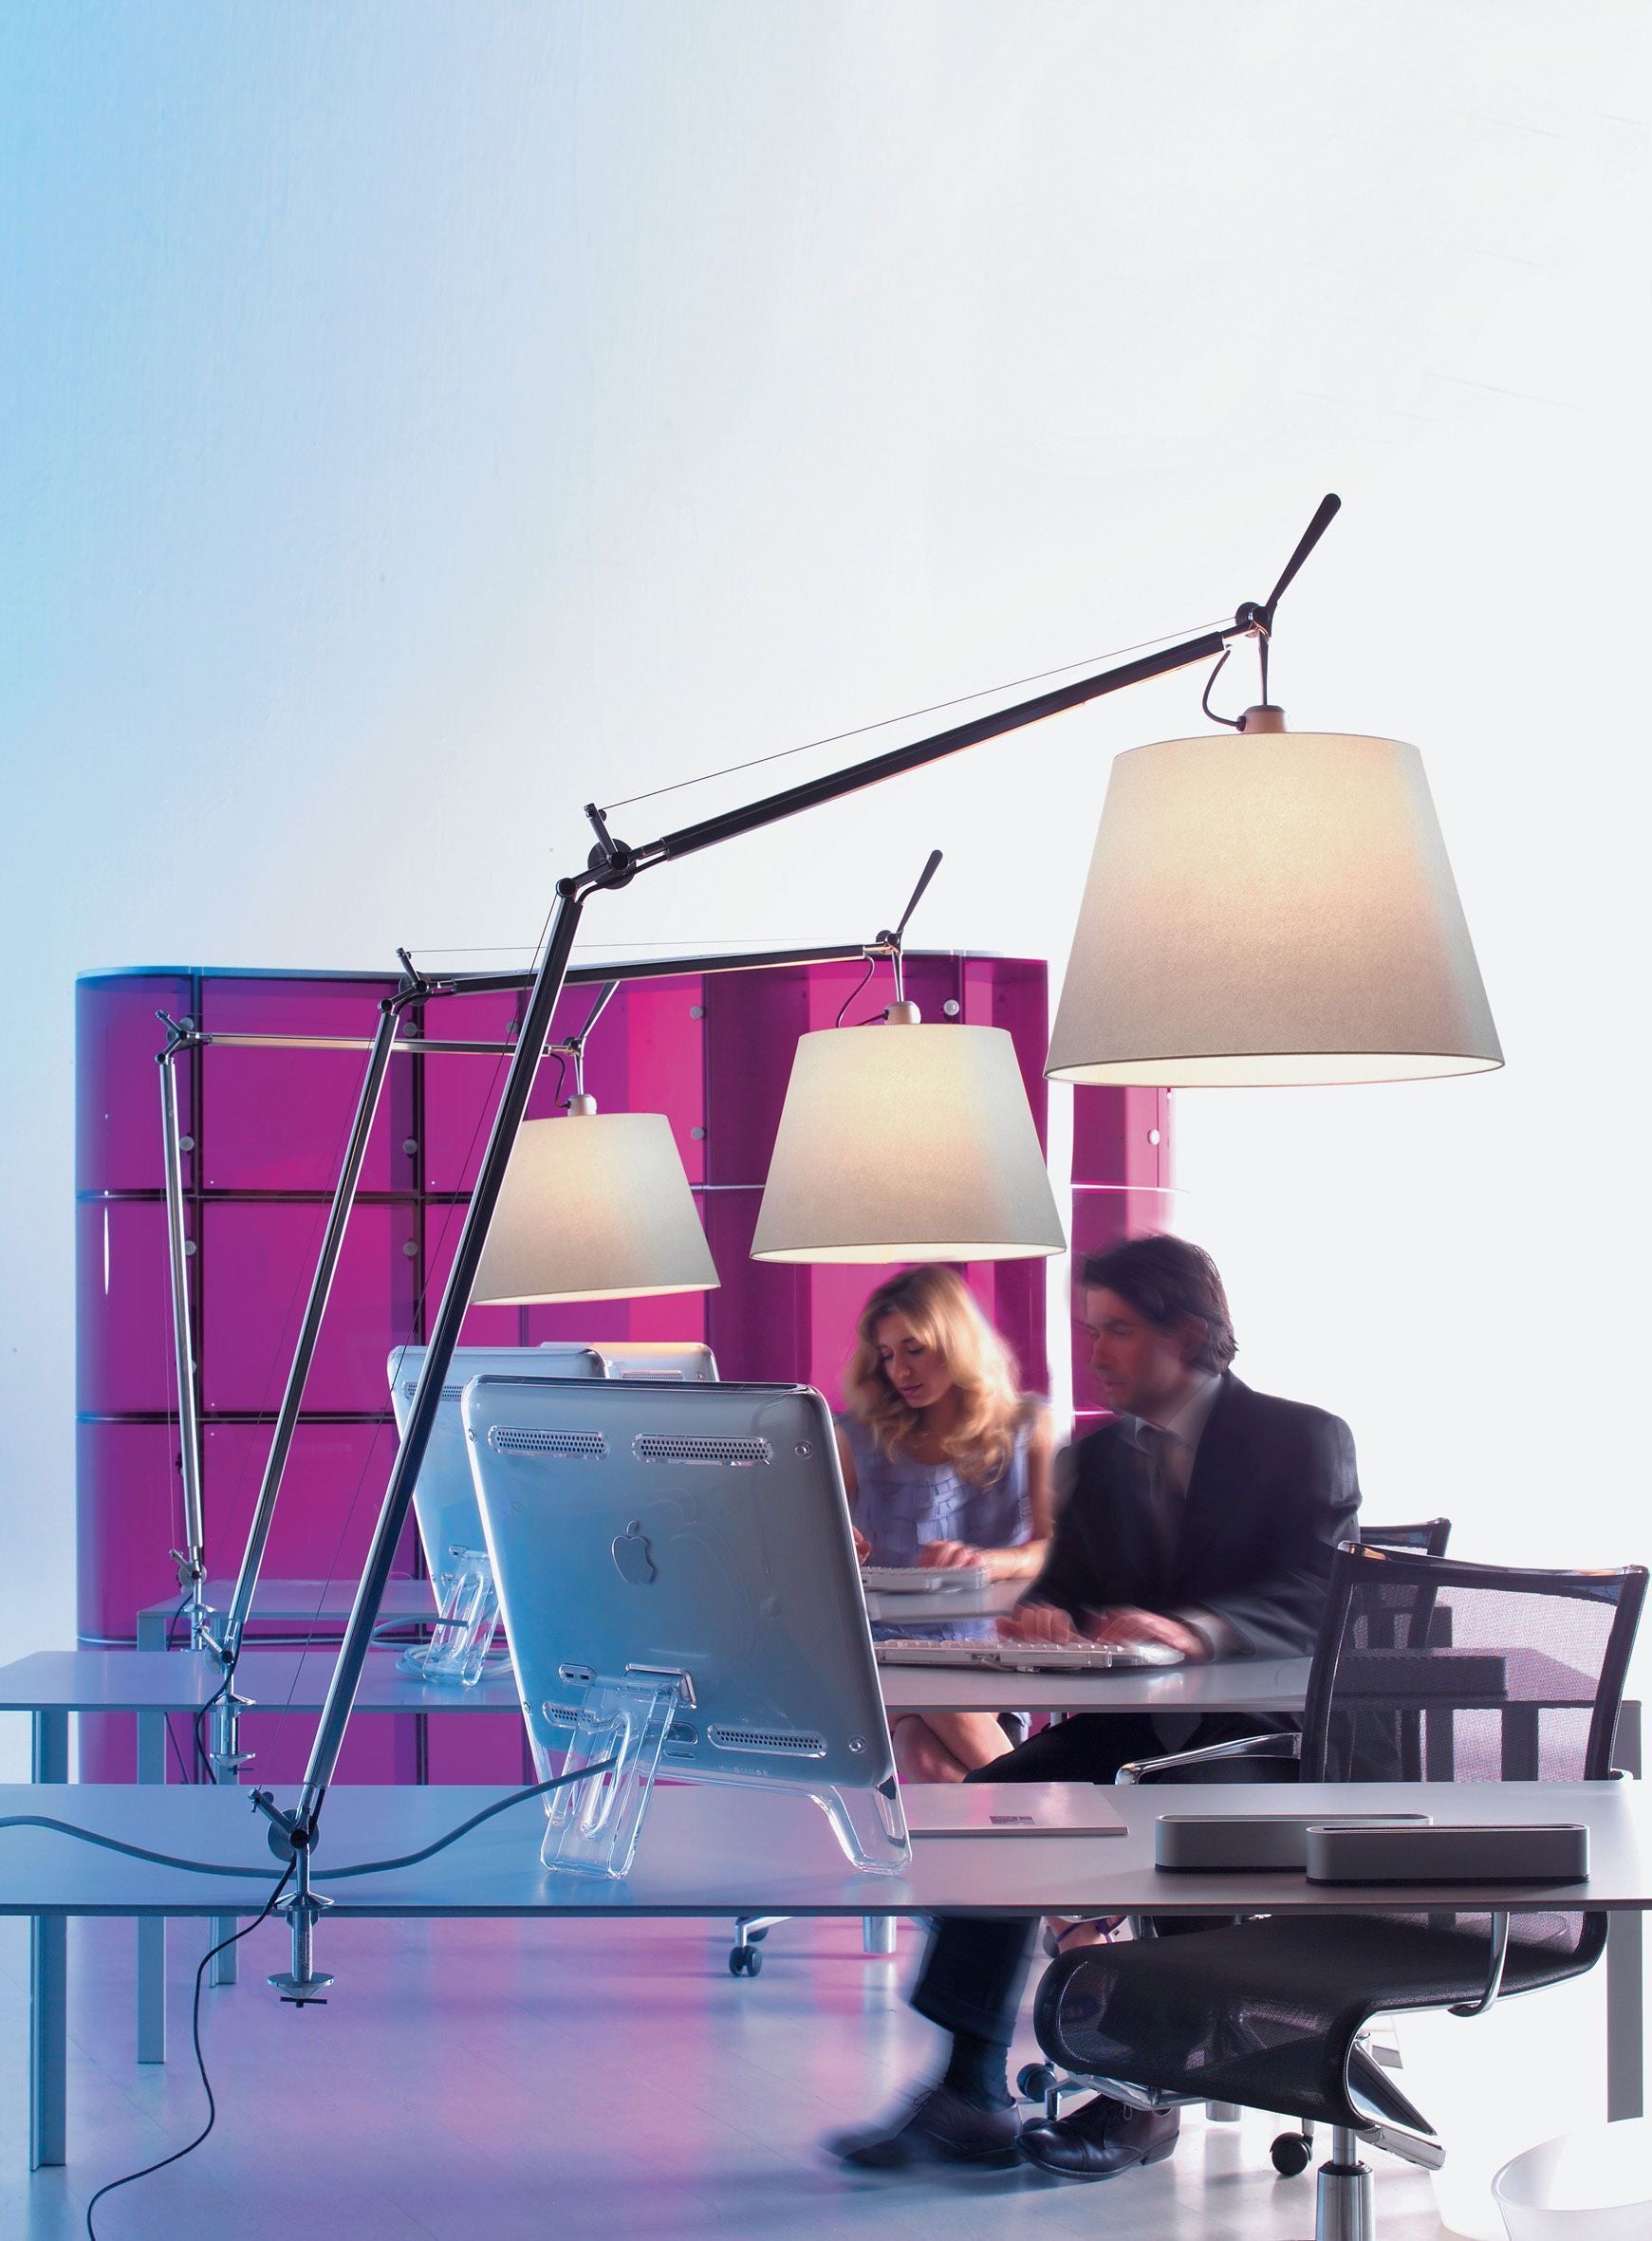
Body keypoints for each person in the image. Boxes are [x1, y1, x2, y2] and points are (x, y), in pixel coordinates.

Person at [830, 1233, 1361, 2180]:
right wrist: (1049, 1614)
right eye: (1090, 1330)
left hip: (1259, 1738)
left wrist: (1197, 1629)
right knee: (993, 1804)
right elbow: (1069, 1585)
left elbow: (1319, 1591)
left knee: (1161, 1826)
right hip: (1131, 1727)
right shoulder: (1105, 1454)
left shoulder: (1301, 1438)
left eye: (1116, 1331)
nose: (1096, 1352)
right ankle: (967, 2090)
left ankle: (1140, 2097)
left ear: (1185, 1333)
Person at [835, 1265, 1054, 1782]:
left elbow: (1053, 1546)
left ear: (956, 1343)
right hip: (881, 1652)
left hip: (982, 1650)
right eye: (887, 1355)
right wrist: (839, 1545)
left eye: (914, 1349)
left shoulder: (1028, 1425)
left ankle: (1034, 1809)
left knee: (922, 1755)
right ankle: (1048, 1801)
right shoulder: (854, 1437)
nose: (900, 1371)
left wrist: (989, 1562)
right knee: (919, 1690)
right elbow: (816, 1548)